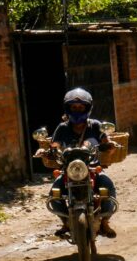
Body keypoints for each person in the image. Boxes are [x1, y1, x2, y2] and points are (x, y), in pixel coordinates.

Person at [45, 87, 117, 238]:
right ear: (68, 108)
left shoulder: (95, 125)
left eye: (80, 107)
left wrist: (110, 146)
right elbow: (55, 145)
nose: (77, 110)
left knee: (108, 186)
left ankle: (105, 222)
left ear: (87, 108)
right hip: (69, 169)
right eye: (74, 107)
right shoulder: (62, 127)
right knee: (54, 193)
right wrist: (48, 151)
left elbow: (106, 141)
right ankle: (65, 221)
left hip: (92, 167)